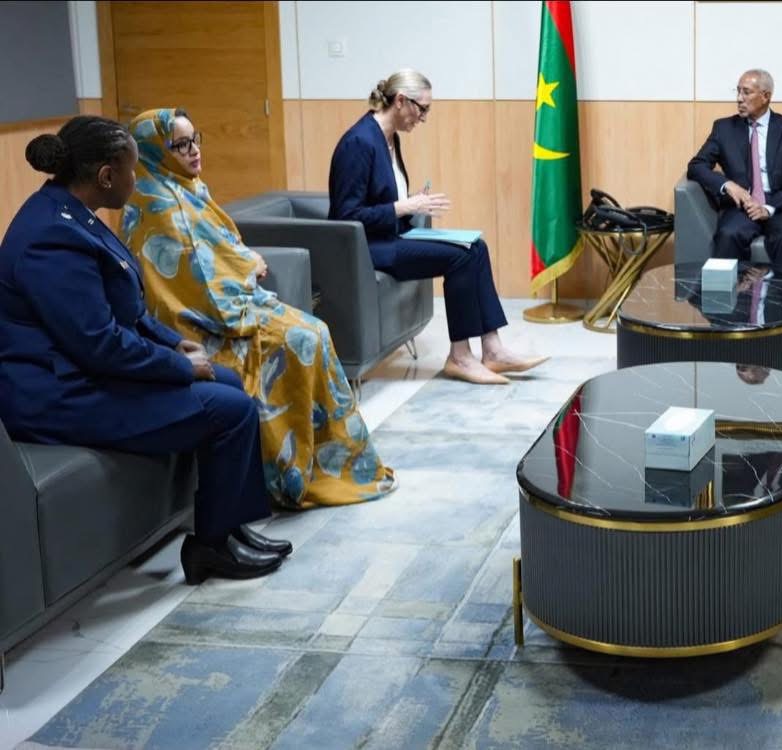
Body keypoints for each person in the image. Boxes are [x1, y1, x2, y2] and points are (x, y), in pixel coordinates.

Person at [0, 116, 291, 584]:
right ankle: (210, 547)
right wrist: (179, 367)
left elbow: (125, 310)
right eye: (131, 170)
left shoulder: (72, 214)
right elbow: (98, 343)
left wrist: (171, 340)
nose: (136, 180)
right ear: (106, 175)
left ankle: (229, 527)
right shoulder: (50, 238)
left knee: (229, 381)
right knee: (231, 409)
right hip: (57, 395)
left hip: (83, 373)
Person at [121, 108, 396, 510]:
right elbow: (195, 282)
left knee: (314, 331)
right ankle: (291, 471)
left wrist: (244, 262)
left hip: (231, 304)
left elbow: (220, 249)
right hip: (201, 325)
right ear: (154, 151)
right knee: (301, 339)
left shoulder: (188, 188)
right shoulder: (159, 206)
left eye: (195, 139)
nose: (194, 150)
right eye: (179, 144)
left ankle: (328, 463)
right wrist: (247, 268)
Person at [328, 68, 546, 385]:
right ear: (400, 101)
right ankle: (460, 357)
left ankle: (493, 350)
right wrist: (404, 207)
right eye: (422, 109)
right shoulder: (359, 142)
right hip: (369, 248)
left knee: (476, 247)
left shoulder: (389, 138)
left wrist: (411, 201)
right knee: (460, 257)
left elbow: (382, 197)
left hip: (392, 235)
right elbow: (346, 216)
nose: (424, 118)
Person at [687, 69, 782, 270]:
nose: (739, 98)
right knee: (728, 234)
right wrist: (728, 185)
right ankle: (726, 290)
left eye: (746, 92)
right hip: (742, 204)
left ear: (765, 96)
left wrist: (767, 208)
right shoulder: (724, 128)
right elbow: (696, 166)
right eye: (738, 91)